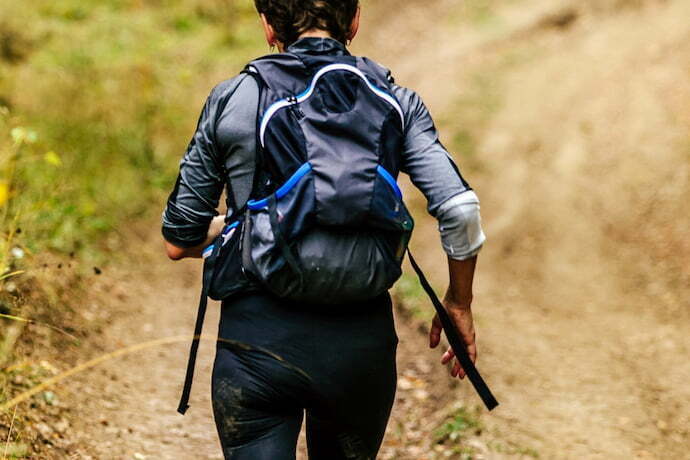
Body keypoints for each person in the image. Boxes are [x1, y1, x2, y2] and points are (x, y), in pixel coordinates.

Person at [162, 1, 486, 458]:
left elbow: (180, 239)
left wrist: (241, 224)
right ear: (354, 20)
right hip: (359, 351)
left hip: (255, 346)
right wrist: (458, 301)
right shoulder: (397, 102)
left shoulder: (234, 99)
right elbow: (460, 208)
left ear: (268, 27)